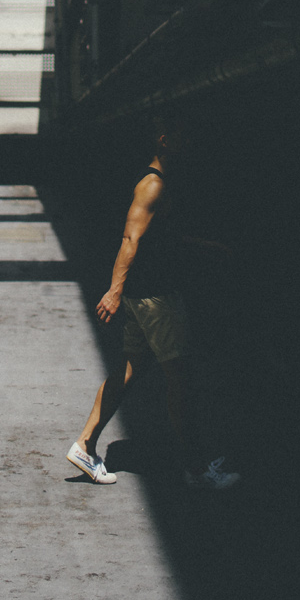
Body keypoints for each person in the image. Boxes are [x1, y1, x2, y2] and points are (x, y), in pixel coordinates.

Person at [66, 113, 240, 489]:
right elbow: (131, 239)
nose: (188, 142)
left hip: (144, 294)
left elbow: (161, 236)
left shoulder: (159, 182)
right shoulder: (152, 184)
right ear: (164, 140)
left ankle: (84, 445)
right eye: (182, 136)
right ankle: (197, 469)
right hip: (155, 297)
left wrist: (206, 246)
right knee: (180, 379)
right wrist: (114, 290)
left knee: (129, 370)